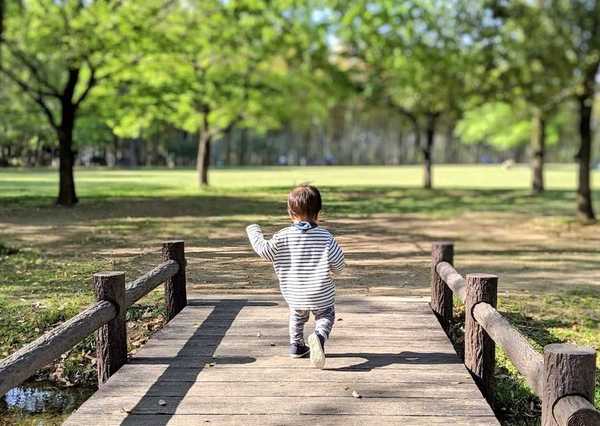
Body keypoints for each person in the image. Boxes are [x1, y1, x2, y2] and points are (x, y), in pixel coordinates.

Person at [246, 184, 345, 368]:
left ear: (290, 213)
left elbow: (264, 251)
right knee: (326, 314)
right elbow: (339, 265)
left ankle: (297, 346)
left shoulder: (283, 236)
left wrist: (254, 231)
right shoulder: (326, 237)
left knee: (297, 315)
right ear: (318, 213)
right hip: (321, 292)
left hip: (295, 293)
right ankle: (319, 336)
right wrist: (334, 270)